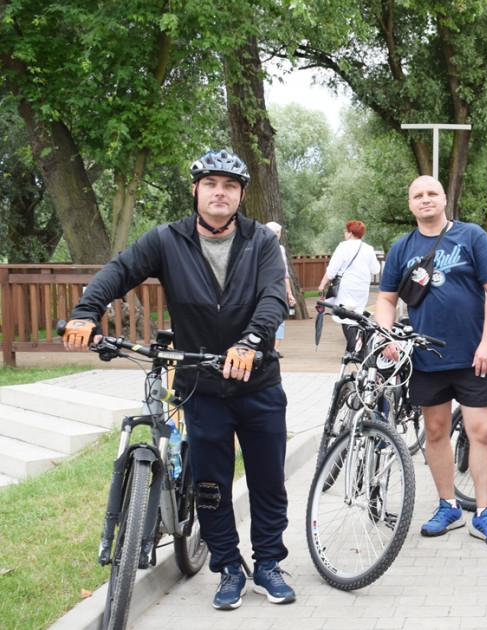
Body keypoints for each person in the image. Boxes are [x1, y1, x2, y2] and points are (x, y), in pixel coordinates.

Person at [63, 149, 294, 610]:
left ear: (241, 195)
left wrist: (249, 342)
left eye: (230, 186)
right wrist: (87, 311)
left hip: (259, 381)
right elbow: (119, 271)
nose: (220, 193)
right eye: (211, 184)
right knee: (210, 484)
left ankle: (268, 563)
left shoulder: (261, 243)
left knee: (268, 481)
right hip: (200, 384)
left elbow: (274, 297)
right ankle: (228, 567)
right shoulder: (167, 239)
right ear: (196, 190)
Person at [375, 176, 487, 546]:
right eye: (417, 194)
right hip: (425, 357)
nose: (425, 199)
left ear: (444, 198)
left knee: (480, 432)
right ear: (410, 204)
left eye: (432, 192)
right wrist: (386, 334)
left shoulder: (471, 236)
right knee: (435, 432)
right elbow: (386, 299)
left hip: (473, 356)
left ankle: (484, 513)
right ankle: (447, 505)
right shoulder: (401, 248)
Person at [318, 220, 380, 354]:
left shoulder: (343, 246)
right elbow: (376, 269)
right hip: (362, 286)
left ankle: (354, 348)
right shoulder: (368, 248)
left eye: (346, 231)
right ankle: (354, 345)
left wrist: (322, 284)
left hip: (347, 285)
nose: (345, 233)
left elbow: (332, 269)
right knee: (357, 313)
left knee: (345, 315)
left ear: (351, 233)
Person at [265, 222, 298, 358]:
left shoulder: (257, 246)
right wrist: (289, 293)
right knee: (279, 318)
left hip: (262, 288)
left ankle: (268, 347)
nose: (278, 235)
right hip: (277, 288)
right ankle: (275, 349)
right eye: (277, 232)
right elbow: (285, 274)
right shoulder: (279, 249)